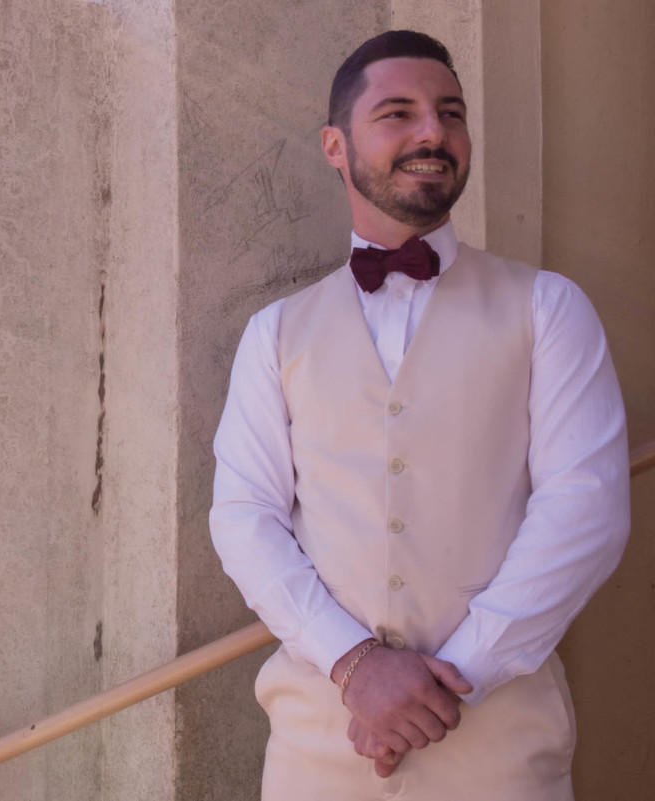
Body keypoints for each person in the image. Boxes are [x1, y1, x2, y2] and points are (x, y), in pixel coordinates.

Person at [209, 30, 630, 800]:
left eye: (451, 113)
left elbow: (586, 510)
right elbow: (245, 517)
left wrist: (451, 680)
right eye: (398, 113)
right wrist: (356, 666)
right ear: (336, 146)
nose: (433, 132)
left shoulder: (549, 310)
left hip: (500, 749)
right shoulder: (275, 334)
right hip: (318, 747)